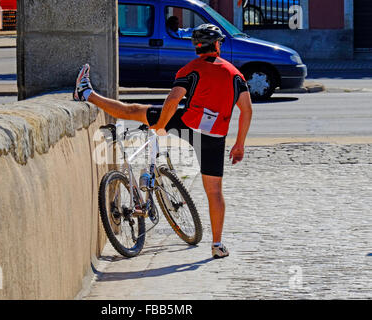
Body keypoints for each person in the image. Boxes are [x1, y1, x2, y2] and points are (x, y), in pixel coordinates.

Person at [74, 24, 252, 259]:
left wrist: (160, 126)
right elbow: (247, 110)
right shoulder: (235, 74)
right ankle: (217, 244)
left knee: (131, 110)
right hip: (215, 136)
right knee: (215, 191)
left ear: (196, 46)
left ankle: (86, 93)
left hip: (187, 122)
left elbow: (173, 99)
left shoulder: (190, 69)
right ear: (218, 44)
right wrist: (239, 144)